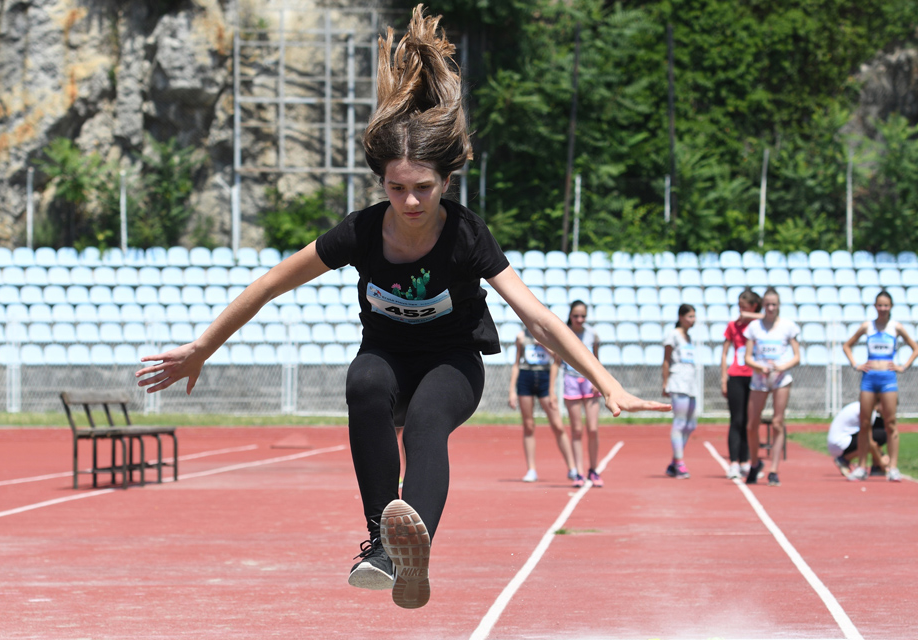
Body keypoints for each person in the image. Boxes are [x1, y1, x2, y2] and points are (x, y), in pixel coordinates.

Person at [134, 5, 669, 610]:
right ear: (381, 183)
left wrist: (605, 382)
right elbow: (269, 285)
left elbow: (539, 319)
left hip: (452, 362)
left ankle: (414, 547)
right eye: (396, 188)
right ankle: (383, 548)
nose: (410, 201)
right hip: (387, 357)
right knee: (363, 383)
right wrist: (203, 347)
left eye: (423, 188)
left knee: (424, 424)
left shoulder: (467, 235)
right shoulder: (360, 232)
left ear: (447, 182)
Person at [842, 290, 917, 482]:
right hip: (869, 378)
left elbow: (915, 347)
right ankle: (862, 467)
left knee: (890, 422)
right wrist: (855, 364)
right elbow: (847, 345)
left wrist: (903, 366)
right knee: (865, 423)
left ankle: (893, 467)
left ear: (890, 307)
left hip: (888, 378)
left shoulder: (896, 327)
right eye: (880, 305)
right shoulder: (868, 326)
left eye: (886, 305)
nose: (883, 308)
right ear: (875, 306)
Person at [743, 288, 800, 486]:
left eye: (774, 304)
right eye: (767, 304)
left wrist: (782, 367)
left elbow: (797, 356)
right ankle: (754, 463)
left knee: (777, 422)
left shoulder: (787, 326)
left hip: (780, 378)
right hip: (759, 378)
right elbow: (747, 357)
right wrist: (759, 367)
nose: (770, 308)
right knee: (752, 424)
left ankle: (774, 469)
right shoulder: (754, 327)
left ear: (779, 305)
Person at [508, 327, 578, 484]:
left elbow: (557, 360)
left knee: (557, 425)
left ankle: (572, 468)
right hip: (526, 378)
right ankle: (531, 469)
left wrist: (543, 344)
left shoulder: (548, 337)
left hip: (545, 379)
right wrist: (512, 391)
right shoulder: (521, 337)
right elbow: (516, 364)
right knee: (528, 425)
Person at [552, 300, 603, 487]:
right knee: (577, 430)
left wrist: (598, 381)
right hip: (571, 382)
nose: (580, 319)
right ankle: (579, 472)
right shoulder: (564, 333)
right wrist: (551, 391)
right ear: (570, 316)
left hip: (590, 383)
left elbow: (596, 360)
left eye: (583, 316)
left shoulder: (592, 334)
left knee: (593, 429)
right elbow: (556, 362)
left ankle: (594, 469)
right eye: (576, 316)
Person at [720, 289, 763, 480]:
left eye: (744, 307)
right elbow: (724, 353)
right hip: (736, 376)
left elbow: (772, 318)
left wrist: (750, 317)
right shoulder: (733, 325)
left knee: (750, 422)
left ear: (753, 306)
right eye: (739, 307)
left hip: (755, 377)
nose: (740, 310)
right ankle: (734, 463)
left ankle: (746, 461)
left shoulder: (760, 325)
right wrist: (723, 379)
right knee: (736, 420)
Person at [662, 304, 698, 479]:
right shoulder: (673, 335)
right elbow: (666, 360)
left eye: (694, 316)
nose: (693, 320)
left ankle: (674, 462)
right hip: (678, 383)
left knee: (691, 425)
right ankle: (680, 462)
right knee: (680, 422)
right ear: (681, 317)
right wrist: (665, 382)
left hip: (690, 384)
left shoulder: (689, 337)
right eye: (690, 316)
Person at [828, 401, 889, 478]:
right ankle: (844, 459)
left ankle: (877, 467)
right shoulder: (869, 411)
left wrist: (882, 454)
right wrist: (881, 460)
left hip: (837, 443)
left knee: (879, 432)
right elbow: (869, 441)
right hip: (840, 444)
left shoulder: (864, 406)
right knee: (881, 435)